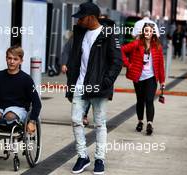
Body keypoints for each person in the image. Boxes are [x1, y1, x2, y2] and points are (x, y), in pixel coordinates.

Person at [66, 2, 123, 174]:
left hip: (98, 86)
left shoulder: (108, 34)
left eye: (81, 18)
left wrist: (106, 82)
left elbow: (117, 61)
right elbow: (75, 59)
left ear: (91, 17)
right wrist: (70, 81)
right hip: (79, 84)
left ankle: (100, 159)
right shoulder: (80, 33)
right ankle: (82, 156)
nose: (78, 21)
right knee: (76, 120)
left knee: (99, 124)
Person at [0, 46, 41, 134]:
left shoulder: (26, 79)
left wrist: (32, 121)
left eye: (15, 59)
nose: (12, 61)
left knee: (9, 115)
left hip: (19, 110)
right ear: (6, 59)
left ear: (21, 61)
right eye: (9, 58)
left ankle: (5, 120)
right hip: (0, 111)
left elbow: (37, 102)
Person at [121, 23, 165, 135]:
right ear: (143, 31)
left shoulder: (157, 47)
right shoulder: (136, 43)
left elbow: (160, 65)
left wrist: (162, 81)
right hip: (138, 77)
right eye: (146, 30)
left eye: (150, 31)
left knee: (149, 100)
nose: (148, 33)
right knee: (140, 100)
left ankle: (149, 124)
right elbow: (121, 50)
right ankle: (140, 121)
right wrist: (128, 64)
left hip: (151, 77)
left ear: (153, 33)